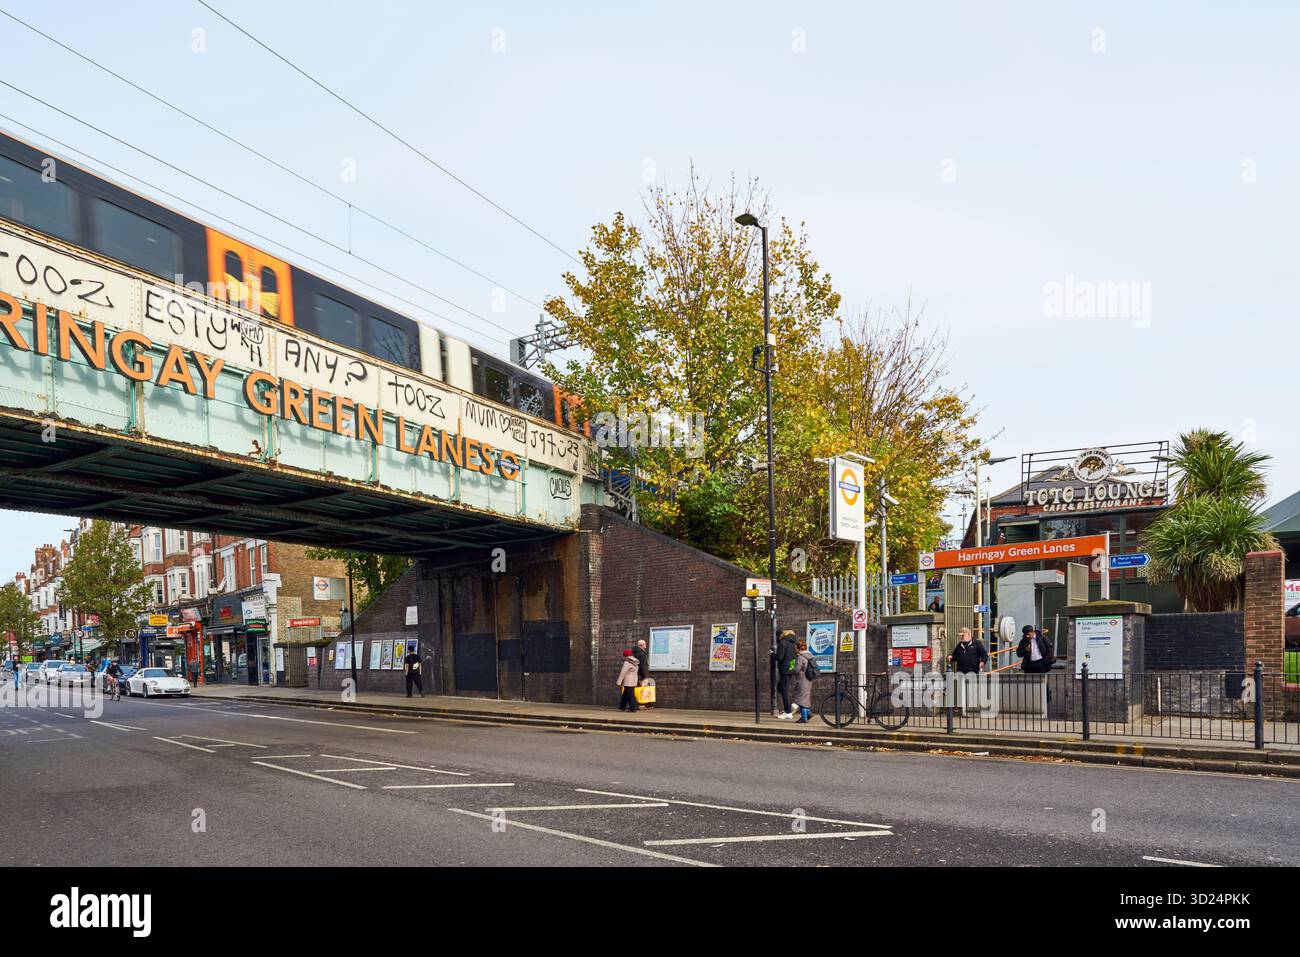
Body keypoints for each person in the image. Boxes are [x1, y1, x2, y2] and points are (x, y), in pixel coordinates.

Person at [790, 638, 819, 723]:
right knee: (805, 697)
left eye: (796, 648)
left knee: (800, 698)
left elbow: (797, 670)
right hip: (808, 679)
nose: (795, 649)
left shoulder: (800, 657)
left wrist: (791, 668)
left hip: (802, 680)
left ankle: (804, 717)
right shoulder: (810, 655)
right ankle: (808, 713)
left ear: (799, 648)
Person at [774, 629, 799, 719]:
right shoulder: (793, 644)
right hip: (791, 669)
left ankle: (788, 712)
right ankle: (792, 705)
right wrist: (791, 668)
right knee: (781, 687)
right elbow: (794, 657)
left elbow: (780, 657)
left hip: (784, 669)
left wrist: (773, 654)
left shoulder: (782, 643)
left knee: (784, 689)